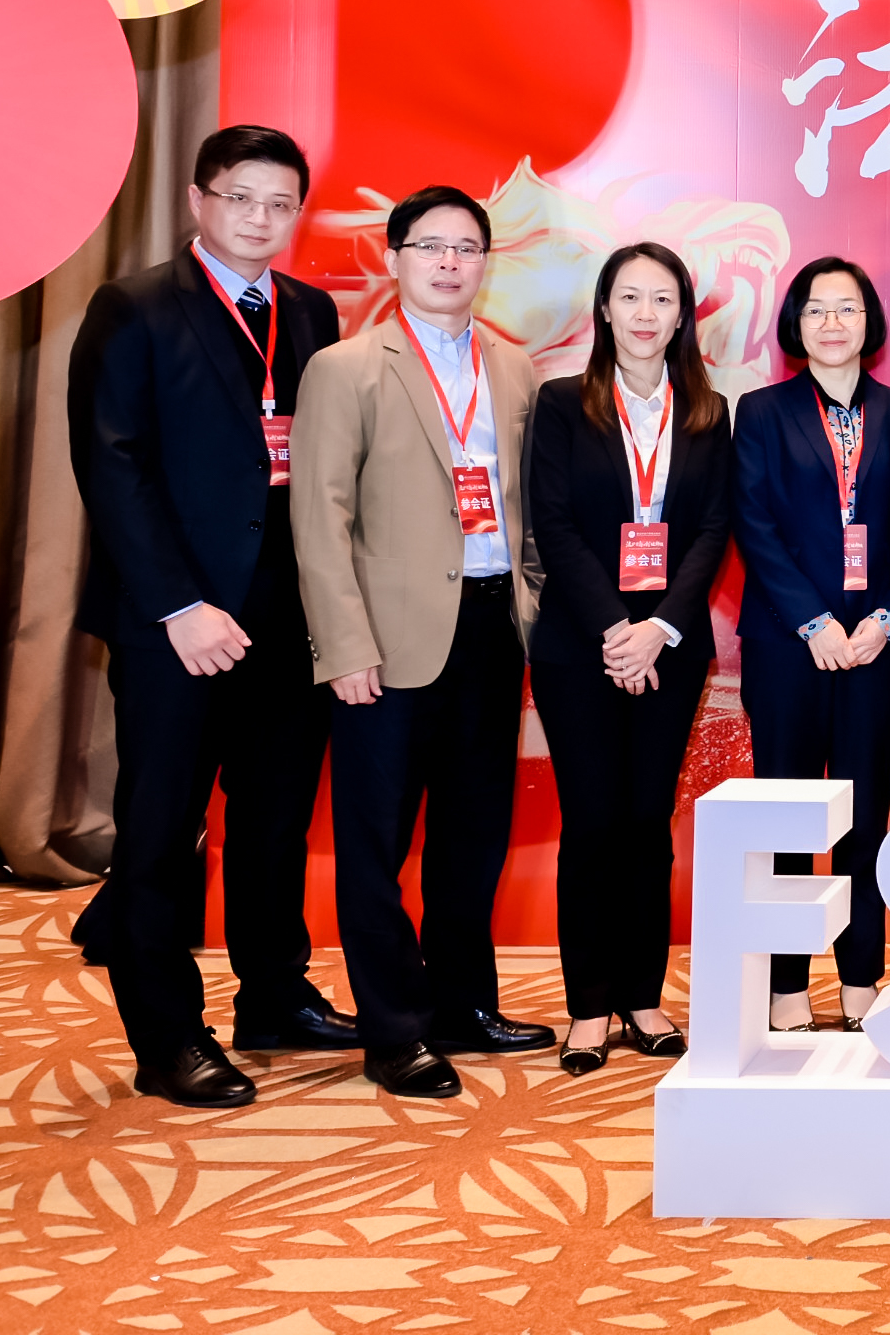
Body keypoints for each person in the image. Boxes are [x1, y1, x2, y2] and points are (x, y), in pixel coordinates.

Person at [66, 125, 354, 1107]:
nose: (260, 218)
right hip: (177, 620)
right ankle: (167, 1038)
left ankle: (273, 996)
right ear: (199, 200)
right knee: (162, 827)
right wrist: (180, 606)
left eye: (280, 203)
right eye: (241, 197)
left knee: (274, 820)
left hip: (287, 613)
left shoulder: (311, 311)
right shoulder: (135, 306)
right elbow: (111, 465)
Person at [291, 186, 554, 1098]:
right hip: (387, 641)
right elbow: (319, 518)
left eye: (467, 248)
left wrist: (531, 610)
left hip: (491, 629)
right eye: (431, 246)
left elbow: (527, 507)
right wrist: (344, 645)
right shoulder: (346, 368)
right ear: (395, 256)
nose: (449, 263)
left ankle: (463, 1005)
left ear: (486, 263)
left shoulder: (513, 367)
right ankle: (395, 1030)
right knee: (375, 844)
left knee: (472, 836)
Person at [526, 243, 735, 1075]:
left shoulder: (709, 411)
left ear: (682, 315)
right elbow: (552, 523)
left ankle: (642, 997)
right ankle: (587, 1006)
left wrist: (660, 630)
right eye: (630, 298)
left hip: (672, 650)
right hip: (581, 646)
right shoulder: (560, 403)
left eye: (663, 299)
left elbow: (714, 530)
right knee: (591, 824)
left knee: (648, 824)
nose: (646, 314)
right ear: (605, 310)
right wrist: (618, 629)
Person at [731, 257, 890, 1034]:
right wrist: (814, 622)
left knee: (866, 812)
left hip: (877, 645)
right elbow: (753, 523)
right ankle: (786, 982)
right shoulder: (761, 411)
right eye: (815, 309)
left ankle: (861, 974)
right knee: (789, 815)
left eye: (847, 308)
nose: (832, 323)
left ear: (870, 322)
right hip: (787, 644)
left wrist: (886, 618)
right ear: (794, 325)